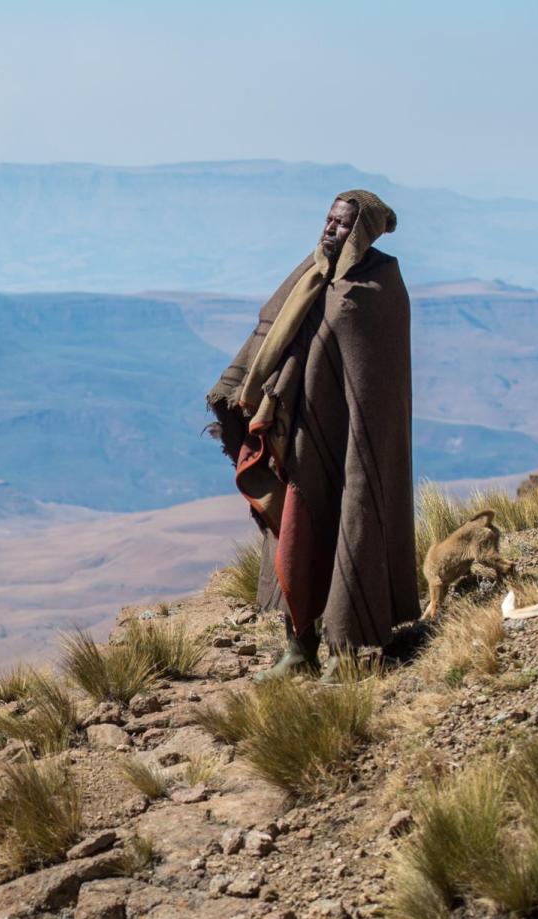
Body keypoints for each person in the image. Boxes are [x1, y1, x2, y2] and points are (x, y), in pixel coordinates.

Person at [206, 189, 420, 680]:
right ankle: (298, 648)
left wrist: (362, 440)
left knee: (352, 527)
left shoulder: (377, 284)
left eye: (342, 225)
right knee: (293, 530)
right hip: (296, 429)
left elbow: (376, 382)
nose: (330, 230)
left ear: (362, 232)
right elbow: (271, 330)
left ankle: (348, 652)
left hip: (354, 441)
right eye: (328, 219)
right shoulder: (309, 275)